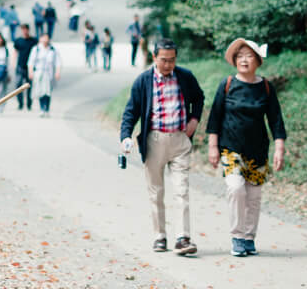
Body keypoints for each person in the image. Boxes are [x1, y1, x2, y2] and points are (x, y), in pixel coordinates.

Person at [119, 39, 205, 256]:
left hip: (179, 139)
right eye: (164, 60)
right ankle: (160, 235)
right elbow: (131, 112)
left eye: (172, 60)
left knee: (182, 190)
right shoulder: (143, 81)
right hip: (154, 140)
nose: (168, 65)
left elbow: (199, 98)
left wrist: (194, 119)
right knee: (156, 192)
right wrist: (125, 137)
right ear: (155, 58)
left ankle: (182, 238)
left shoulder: (185, 77)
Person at [207, 39, 288, 257]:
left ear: (258, 61)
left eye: (249, 55)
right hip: (230, 148)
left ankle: (249, 238)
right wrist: (212, 147)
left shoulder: (266, 87)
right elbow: (214, 117)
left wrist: (279, 149)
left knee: (253, 195)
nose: (244, 59)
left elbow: (276, 121)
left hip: (258, 150)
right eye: (240, 55)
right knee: (235, 188)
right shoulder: (227, 84)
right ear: (234, 60)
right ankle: (237, 236)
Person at [26, 33, 61, 115]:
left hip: (48, 73)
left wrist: (57, 72)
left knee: (47, 92)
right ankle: (42, 108)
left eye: (47, 38)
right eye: (44, 38)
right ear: (40, 39)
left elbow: (57, 62)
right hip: (38, 72)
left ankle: (47, 109)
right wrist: (30, 72)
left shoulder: (53, 49)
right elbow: (31, 62)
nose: (45, 40)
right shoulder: (36, 49)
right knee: (40, 91)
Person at [12, 24, 37, 110]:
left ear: (28, 30)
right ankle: (20, 103)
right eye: (23, 29)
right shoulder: (18, 41)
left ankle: (29, 103)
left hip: (29, 67)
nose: (24, 31)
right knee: (18, 85)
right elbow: (15, 52)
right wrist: (13, 63)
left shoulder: (33, 40)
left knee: (29, 86)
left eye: (26, 29)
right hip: (20, 66)